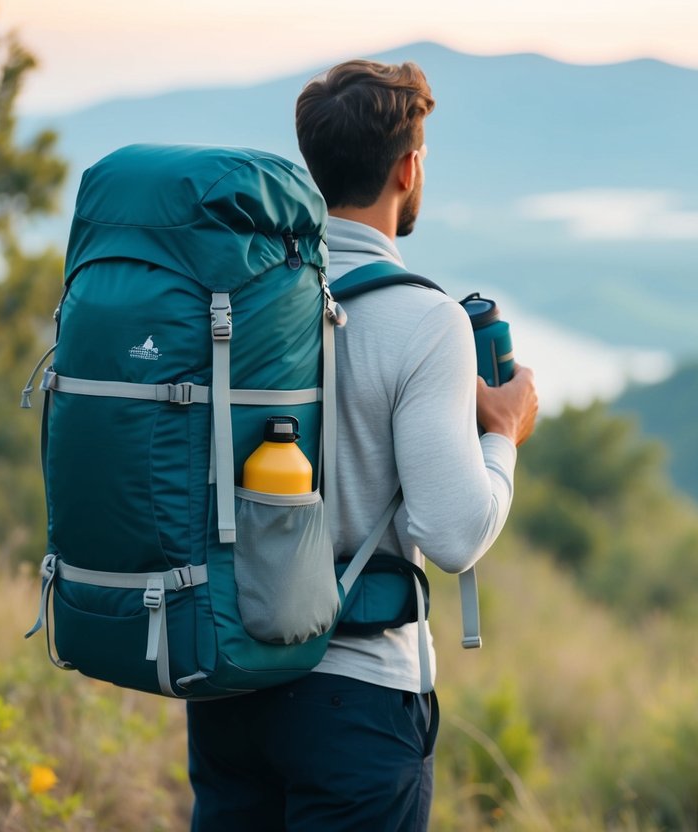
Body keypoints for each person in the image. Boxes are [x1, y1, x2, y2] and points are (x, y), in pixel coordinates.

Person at [185, 58, 539, 831]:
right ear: (407, 168)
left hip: (230, 681)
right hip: (357, 699)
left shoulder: (237, 304)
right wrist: (503, 435)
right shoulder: (424, 320)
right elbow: (451, 535)